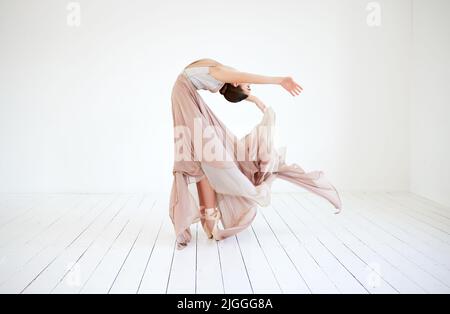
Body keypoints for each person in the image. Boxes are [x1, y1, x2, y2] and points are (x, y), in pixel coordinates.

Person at [170, 58, 342, 250]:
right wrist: (279, 80)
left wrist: (255, 99)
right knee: (208, 155)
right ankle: (211, 218)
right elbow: (243, 76)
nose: (249, 85)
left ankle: (209, 219)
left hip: (186, 98)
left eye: (249, 87)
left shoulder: (220, 78)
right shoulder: (219, 72)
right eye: (248, 86)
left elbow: (236, 83)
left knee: (204, 158)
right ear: (235, 81)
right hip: (185, 98)